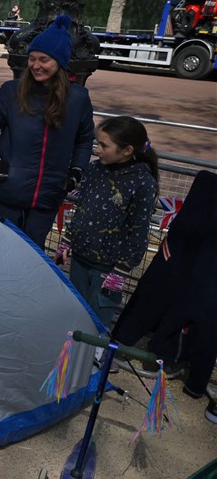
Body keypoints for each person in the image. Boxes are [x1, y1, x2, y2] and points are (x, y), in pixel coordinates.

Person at [0, 14, 95, 249]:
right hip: (6, 196)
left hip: (46, 201)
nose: (35, 65)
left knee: (29, 260)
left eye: (44, 59)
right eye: (32, 59)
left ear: (59, 63)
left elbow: (84, 139)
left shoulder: (78, 98)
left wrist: (76, 173)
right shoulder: (11, 91)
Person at [111, 169, 216, 408]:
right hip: (194, 255)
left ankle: (121, 343)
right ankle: (186, 373)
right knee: (197, 307)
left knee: (154, 293)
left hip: (187, 244)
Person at [55, 117, 158, 330]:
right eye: (97, 143)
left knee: (96, 321)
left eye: (104, 145)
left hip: (108, 268)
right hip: (81, 257)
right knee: (75, 311)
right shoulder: (95, 170)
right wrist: (67, 240)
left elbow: (138, 230)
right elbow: (82, 209)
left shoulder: (142, 183)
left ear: (127, 150)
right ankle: (69, 357)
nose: (97, 149)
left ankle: (96, 360)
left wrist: (121, 269)